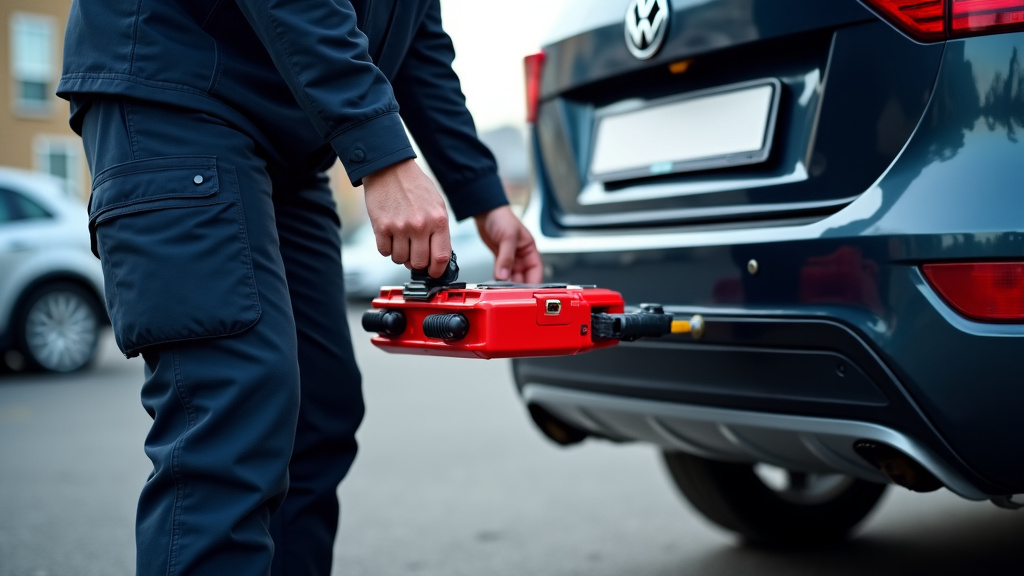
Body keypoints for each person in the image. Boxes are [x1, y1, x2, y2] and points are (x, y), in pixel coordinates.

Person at [57, 0, 543, 574]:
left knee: (319, 411)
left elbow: (417, 44)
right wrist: (382, 154)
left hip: (290, 141)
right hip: (175, 89)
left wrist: (484, 197)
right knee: (233, 413)